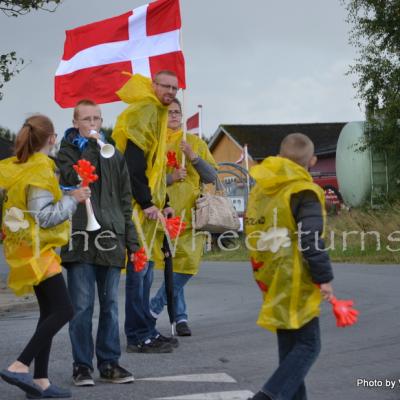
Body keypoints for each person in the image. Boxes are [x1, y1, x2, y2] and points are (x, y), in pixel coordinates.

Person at [0, 115, 90, 398]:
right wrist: (72, 199)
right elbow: (44, 217)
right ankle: (19, 365)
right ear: (51, 138)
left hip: (29, 248)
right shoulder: (40, 168)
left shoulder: (21, 166)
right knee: (64, 310)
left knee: (49, 312)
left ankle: (40, 381)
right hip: (37, 249)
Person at [245, 133, 334, 400]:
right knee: (309, 345)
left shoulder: (263, 187)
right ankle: (267, 396)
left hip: (270, 272)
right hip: (296, 275)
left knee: (289, 347)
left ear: (282, 157)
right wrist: (324, 277)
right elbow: (310, 239)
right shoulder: (304, 191)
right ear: (313, 161)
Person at [56, 100, 139, 386]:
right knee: (81, 306)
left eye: (97, 119)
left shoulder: (114, 154)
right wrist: (92, 146)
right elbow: (74, 177)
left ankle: (109, 363)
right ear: (75, 121)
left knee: (110, 306)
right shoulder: (65, 152)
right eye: (87, 119)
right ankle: (82, 366)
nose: (93, 124)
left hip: (111, 237)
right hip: (80, 237)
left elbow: (126, 200)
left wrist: (133, 240)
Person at [112, 71, 179, 353]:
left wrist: (162, 202)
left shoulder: (158, 113)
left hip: (148, 208)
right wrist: (147, 201)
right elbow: (133, 161)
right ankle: (138, 335)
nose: (172, 92)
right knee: (140, 272)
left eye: (176, 88)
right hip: (137, 209)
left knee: (147, 272)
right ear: (154, 86)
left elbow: (156, 168)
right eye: (167, 86)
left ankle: (147, 330)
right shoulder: (147, 110)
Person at [149, 98, 218, 336]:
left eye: (178, 112)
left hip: (191, 216)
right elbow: (142, 179)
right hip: (161, 214)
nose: (175, 116)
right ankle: (180, 318)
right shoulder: (153, 144)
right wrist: (170, 178)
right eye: (169, 113)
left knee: (187, 265)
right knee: (172, 266)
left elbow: (212, 177)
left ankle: (154, 308)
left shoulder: (194, 142)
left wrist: (193, 157)